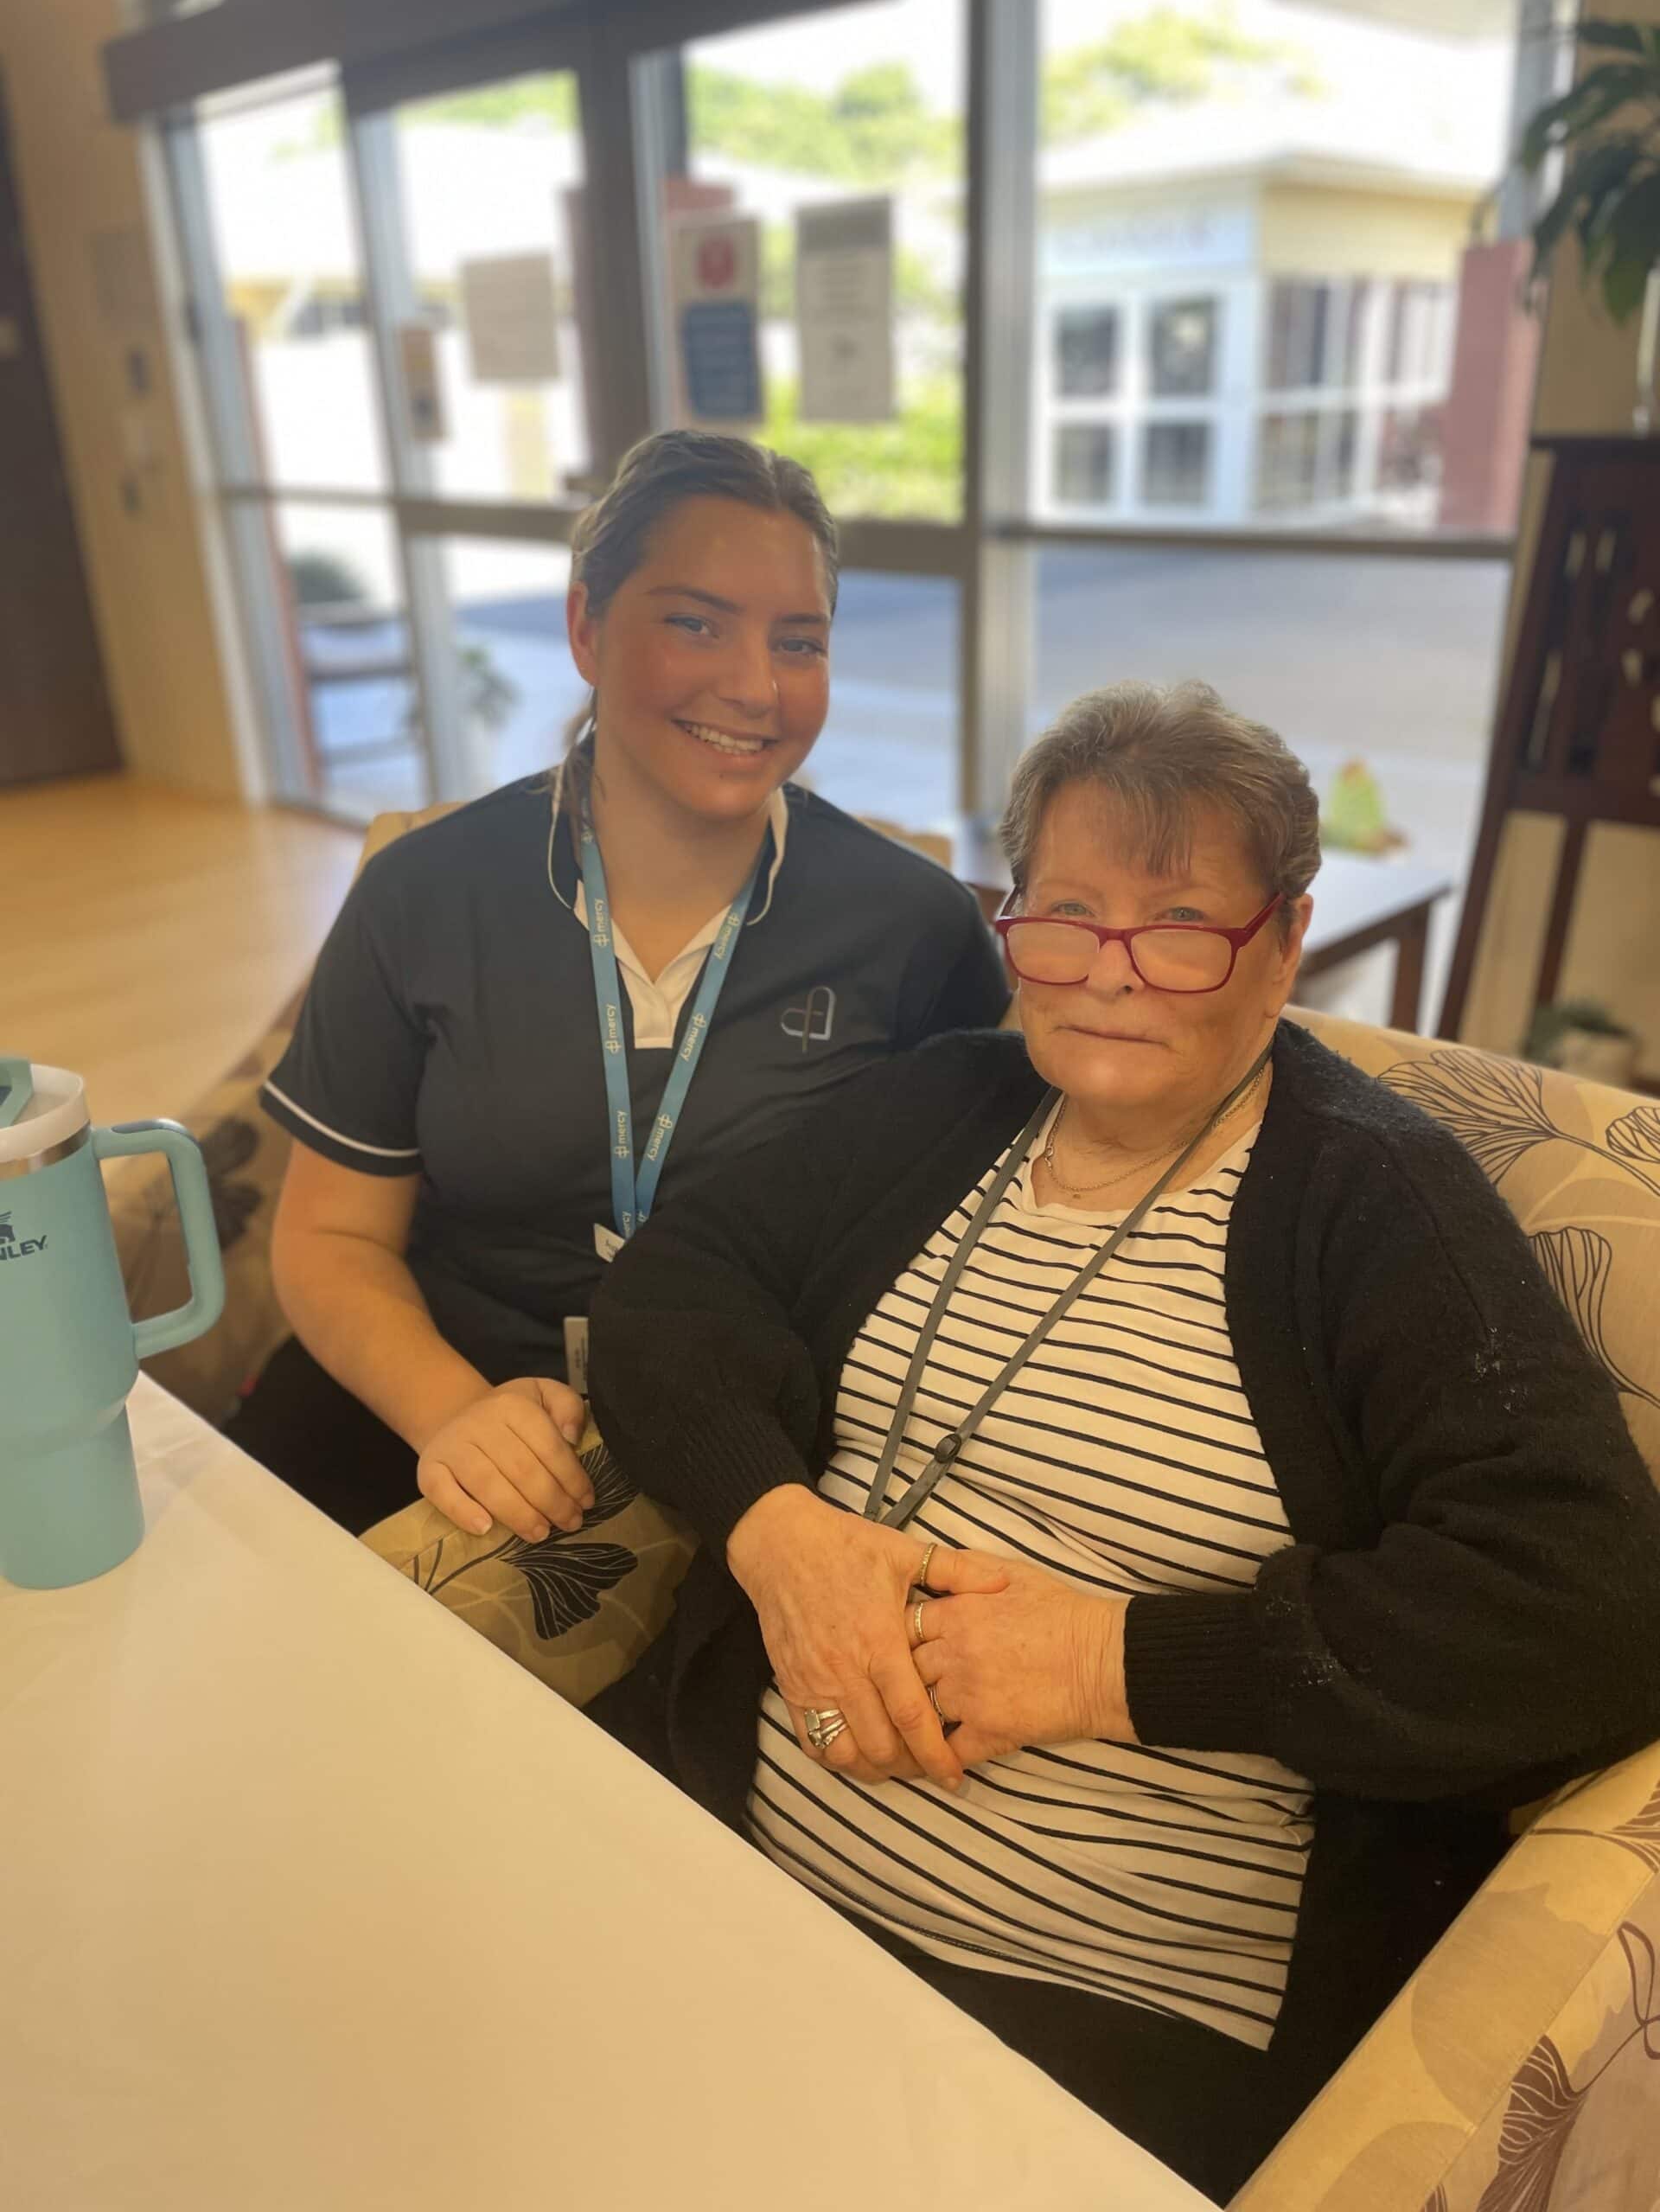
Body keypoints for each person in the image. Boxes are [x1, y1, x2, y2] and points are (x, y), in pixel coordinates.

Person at [588, 679, 1660, 2203]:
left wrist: (1106, 1663)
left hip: (1102, 2024)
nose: (1107, 975)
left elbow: (1593, 1609)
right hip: (711, 1850)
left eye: (1177, 924)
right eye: (1065, 914)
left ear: (1281, 945)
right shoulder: (947, 1100)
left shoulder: (1372, 1206)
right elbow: (675, 1292)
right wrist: (785, 1539)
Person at [233, 431, 1007, 1538]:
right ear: (586, 626)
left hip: (754, 1447)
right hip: (438, 1391)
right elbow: (329, 1239)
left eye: (800, 641)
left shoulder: (913, 925)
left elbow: (967, 1248)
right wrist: (454, 1411)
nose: (754, 686)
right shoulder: (424, 893)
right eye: (695, 622)